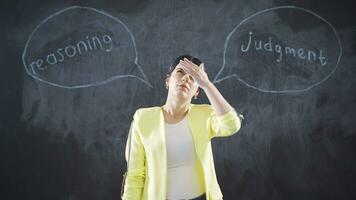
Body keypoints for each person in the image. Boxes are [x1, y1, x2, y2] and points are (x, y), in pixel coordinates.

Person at [122, 55, 242, 200]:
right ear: (168, 80)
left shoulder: (206, 114)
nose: (186, 78)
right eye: (180, 72)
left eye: (193, 77)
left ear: (197, 91)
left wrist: (206, 84)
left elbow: (231, 125)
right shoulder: (143, 118)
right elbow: (135, 174)